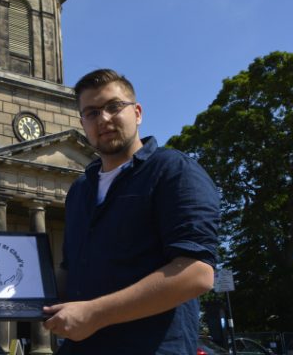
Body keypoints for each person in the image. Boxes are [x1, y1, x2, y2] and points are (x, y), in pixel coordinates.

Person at [43, 69, 220, 354]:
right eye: (92, 113)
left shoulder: (172, 171)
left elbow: (196, 273)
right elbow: (69, 272)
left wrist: (94, 314)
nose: (103, 119)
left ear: (137, 112)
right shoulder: (79, 190)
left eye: (114, 107)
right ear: (82, 123)